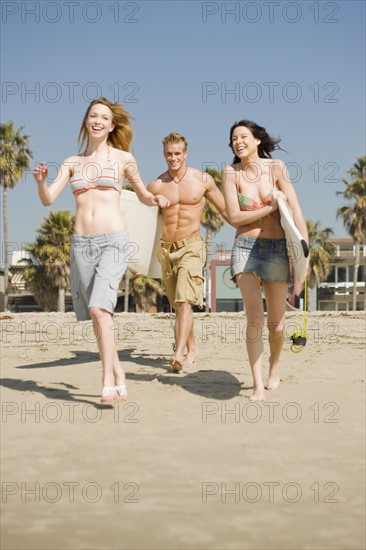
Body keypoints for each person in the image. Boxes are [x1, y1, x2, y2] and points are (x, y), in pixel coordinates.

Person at [34, 97, 169, 403]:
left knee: (99, 309)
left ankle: (107, 378)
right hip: (81, 245)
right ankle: (118, 370)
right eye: (92, 116)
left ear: (111, 125)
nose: (97, 121)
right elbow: (48, 199)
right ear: (87, 122)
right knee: (98, 315)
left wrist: (156, 201)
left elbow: (143, 194)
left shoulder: (123, 159)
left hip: (114, 240)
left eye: (103, 117)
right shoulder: (72, 162)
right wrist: (41, 183)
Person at [222, 120, 308, 402]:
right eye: (234, 138)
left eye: (243, 136)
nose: (238, 142)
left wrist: (304, 251)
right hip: (245, 248)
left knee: (278, 325)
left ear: (258, 140)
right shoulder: (230, 173)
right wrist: (269, 207)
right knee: (255, 318)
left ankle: (274, 367)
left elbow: (294, 208)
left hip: (276, 248)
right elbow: (234, 217)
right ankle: (257, 384)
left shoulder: (276, 168)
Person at [148, 132, 228, 372]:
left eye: (177, 154)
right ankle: (192, 348)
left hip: (191, 246)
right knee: (179, 305)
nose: (173, 158)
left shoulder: (202, 180)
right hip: (166, 249)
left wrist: (252, 226)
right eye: (169, 154)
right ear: (164, 155)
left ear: (186, 154)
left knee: (184, 301)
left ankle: (178, 353)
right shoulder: (156, 185)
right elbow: (141, 218)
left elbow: (225, 209)